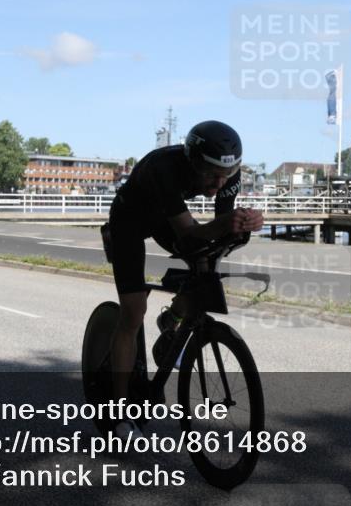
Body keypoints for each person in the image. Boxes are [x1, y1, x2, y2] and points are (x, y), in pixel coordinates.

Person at [106, 120, 263, 438]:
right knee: (133, 313)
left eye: (226, 176)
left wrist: (245, 222)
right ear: (192, 161)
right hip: (130, 220)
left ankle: (174, 319)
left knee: (206, 263)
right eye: (210, 175)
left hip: (164, 217)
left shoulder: (226, 173)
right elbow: (190, 233)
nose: (219, 183)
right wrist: (226, 225)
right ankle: (118, 414)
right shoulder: (165, 168)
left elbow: (218, 229)